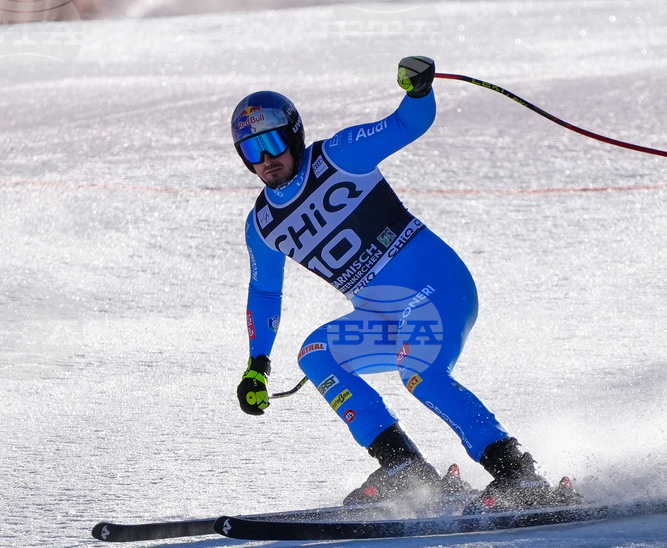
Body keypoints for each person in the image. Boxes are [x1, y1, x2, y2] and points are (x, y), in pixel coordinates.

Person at [232, 56, 579, 512]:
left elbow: (406, 124)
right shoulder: (261, 225)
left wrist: (418, 90)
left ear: (294, 135)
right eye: (252, 151)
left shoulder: (339, 156)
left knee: (420, 374)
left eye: (273, 142)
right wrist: (258, 362)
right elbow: (264, 293)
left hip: (438, 287)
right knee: (318, 355)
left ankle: (518, 474)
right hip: (384, 316)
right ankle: (403, 467)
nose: (266, 159)